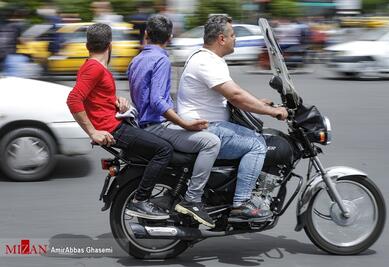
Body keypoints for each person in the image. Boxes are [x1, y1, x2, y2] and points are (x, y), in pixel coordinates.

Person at [176, 15, 288, 221]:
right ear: (221, 39)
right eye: (233, 35)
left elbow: (234, 92)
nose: (236, 39)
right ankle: (241, 203)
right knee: (257, 144)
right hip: (206, 128)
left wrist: (261, 103)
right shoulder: (206, 61)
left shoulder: (208, 59)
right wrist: (273, 112)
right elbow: (235, 96)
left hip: (208, 125)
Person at [67, 23, 173, 220]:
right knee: (164, 150)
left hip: (115, 122)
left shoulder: (91, 66)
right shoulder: (94, 69)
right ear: (110, 45)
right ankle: (141, 200)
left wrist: (117, 103)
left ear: (87, 45)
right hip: (113, 129)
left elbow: (95, 99)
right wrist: (93, 132)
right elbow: (74, 99)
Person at [127, 15, 221, 228]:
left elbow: (141, 96)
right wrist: (185, 124)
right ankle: (193, 199)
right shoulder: (161, 59)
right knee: (211, 142)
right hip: (157, 127)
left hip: (144, 124)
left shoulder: (136, 60)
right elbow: (157, 101)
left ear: (146, 35)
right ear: (169, 37)